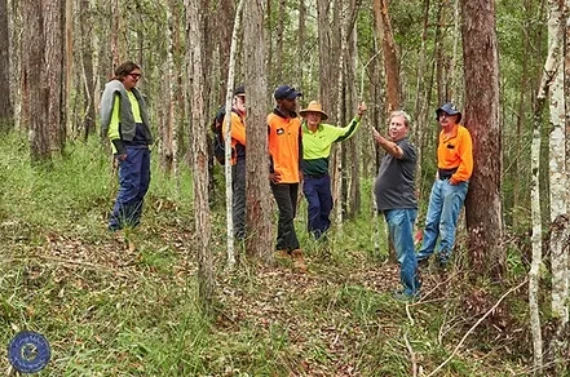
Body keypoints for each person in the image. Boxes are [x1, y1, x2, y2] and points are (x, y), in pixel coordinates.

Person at [416, 103, 473, 269]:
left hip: (454, 184)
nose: (443, 118)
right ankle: (424, 255)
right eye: (441, 115)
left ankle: (443, 261)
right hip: (440, 182)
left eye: (447, 115)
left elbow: (467, 164)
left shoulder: (462, 134)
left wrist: (454, 179)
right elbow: (443, 159)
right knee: (431, 220)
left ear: (455, 118)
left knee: (446, 223)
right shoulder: (442, 135)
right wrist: (438, 176)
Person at [300, 100, 367, 239]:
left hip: (323, 178)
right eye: (311, 114)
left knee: (327, 205)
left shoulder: (327, 131)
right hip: (308, 178)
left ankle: (323, 234)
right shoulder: (298, 131)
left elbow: (346, 132)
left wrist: (358, 116)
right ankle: (313, 236)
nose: (314, 117)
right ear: (306, 116)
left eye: (317, 115)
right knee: (315, 205)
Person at [100, 62, 153, 232]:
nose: (136, 80)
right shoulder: (117, 92)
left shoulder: (135, 95)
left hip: (141, 144)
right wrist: (119, 148)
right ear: (123, 75)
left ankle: (132, 223)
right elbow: (112, 121)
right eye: (133, 76)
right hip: (128, 146)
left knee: (142, 185)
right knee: (130, 185)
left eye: (139, 76)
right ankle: (115, 226)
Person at [373, 111, 419, 300]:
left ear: (406, 128)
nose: (393, 127)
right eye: (392, 124)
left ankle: (411, 291)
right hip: (393, 208)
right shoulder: (390, 151)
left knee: (406, 251)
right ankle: (409, 287)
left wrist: (381, 140)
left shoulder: (406, 147)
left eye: (398, 124)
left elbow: (396, 151)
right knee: (403, 250)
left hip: (402, 208)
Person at [267, 85, 305, 269]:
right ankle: (296, 250)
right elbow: (263, 147)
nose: (294, 102)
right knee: (287, 212)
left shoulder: (297, 121)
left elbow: (300, 145)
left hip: (293, 174)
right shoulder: (271, 121)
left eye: (295, 99)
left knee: (290, 214)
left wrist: (300, 168)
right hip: (279, 175)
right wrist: (268, 171)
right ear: (280, 102)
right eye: (291, 100)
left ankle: (281, 247)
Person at [220, 86, 247, 241]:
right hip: (237, 163)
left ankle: (239, 230)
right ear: (235, 99)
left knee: (241, 198)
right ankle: (238, 235)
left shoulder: (243, 117)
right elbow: (246, 139)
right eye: (243, 99)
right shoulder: (232, 118)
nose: (245, 102)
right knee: (239, 198)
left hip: (242, 162)